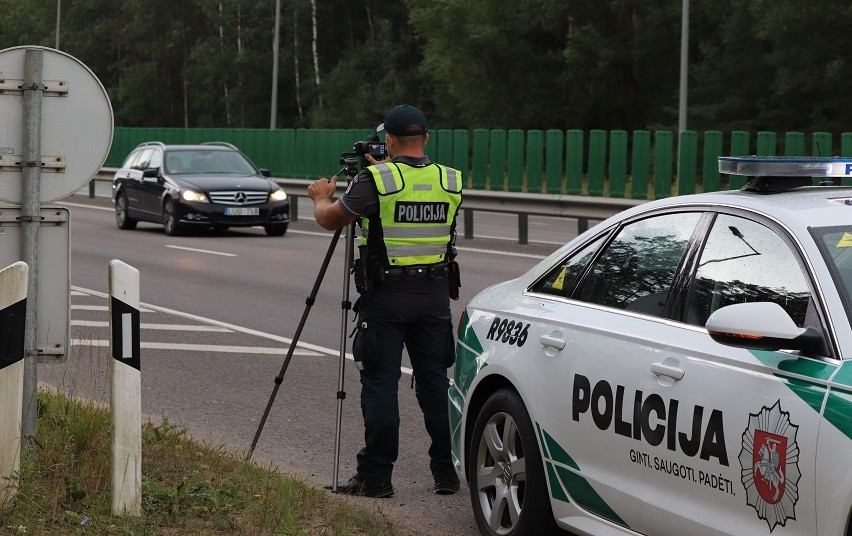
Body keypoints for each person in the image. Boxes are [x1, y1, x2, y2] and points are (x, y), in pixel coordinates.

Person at [307, 104, 463, 498]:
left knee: (380, 385)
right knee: (434, 387)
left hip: (387, 298)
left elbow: (330, 219)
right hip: (434, 298)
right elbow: (414, 191)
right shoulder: (450, 180)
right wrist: (384, 167)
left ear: (389, 140)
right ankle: (446, 473)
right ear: (426, 138)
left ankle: (376, 477)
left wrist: (320, 197)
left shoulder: (376, 179)